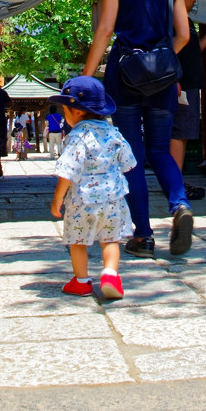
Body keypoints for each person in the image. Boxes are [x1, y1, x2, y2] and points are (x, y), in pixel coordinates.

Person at [83, 0, 192, 258]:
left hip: (125, 76)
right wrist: (157, 61)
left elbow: (104, 31)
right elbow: (185, 35)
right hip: (161, 80)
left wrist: (87, 77)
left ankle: (143, 237)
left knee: (131, 158)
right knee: (161, 150)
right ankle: (180, 205)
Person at [50, 76, 136, 299]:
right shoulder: (114, 133)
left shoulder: (78, 136)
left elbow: (68, 170)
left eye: (64, 110)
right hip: (113, 199)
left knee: (77, 241)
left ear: (76, 111)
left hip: (83, 200)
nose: (63, 114)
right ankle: (110, 275)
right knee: (110, 239)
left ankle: (81, 281)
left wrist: (58, 199)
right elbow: (129, 163)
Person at [171, 0, 206, 200]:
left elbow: (194, 50)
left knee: (182, 134)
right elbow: (167, 50)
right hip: (179, 85)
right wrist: (173, 77)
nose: (195, 0)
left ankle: (176, 180)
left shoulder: (188, 22)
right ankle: (175, 183)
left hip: (190, 84)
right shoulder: (171, 20)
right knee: (177, 133)